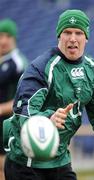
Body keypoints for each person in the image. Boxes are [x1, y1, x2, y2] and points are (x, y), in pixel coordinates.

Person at [4, 10, 94, 180]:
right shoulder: (40, 68)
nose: (73, 38)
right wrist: (48, 120)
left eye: (78, 33)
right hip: (26, 163)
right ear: (59, 36)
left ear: (86, 38)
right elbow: (24, 111)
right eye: (67, 32)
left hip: (60, 160)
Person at [0, 19, 28, 180]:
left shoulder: (19, 63)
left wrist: (2, 108)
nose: (3, 40)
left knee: (7, 168)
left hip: (9, 125)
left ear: (14, 39)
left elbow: (24, 99)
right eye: (1, 36)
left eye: (8, 36)